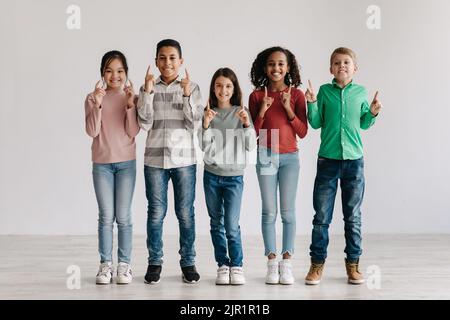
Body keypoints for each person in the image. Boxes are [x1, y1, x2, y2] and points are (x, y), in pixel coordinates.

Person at [304, 47, 382, 285]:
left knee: (353, 217)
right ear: (331, 69)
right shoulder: (325, 92)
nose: (342, 66)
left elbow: (364, 124)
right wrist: (312, 103)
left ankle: (354, 265)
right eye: (337, 63)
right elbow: (316, 123)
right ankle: (316, 265)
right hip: (327, 161)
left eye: (346, 62)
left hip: (354, 163)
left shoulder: (361, 92)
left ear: (354, 68)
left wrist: (373, 113)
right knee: (321, 217)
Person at [137, 39, 203, 284]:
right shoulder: (147, 88)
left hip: (184, 160)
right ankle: (154, 262)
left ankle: (188, 262)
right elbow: (144, 123)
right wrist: (148, 92)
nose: (167, 62)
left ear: (181, 61)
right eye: (162, 58)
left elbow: (194, 124)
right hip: (154, 160)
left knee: (185, 213)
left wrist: (186, 96)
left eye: (172, 57)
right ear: (156, 61)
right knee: (156, 213)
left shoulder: (192, 87)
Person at [249, 47, 308, 285]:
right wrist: (262, 110)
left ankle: (287, 261)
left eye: (281, 64)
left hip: (289, 157)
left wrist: (287, 107)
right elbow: (252, 132)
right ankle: (271, 261)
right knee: (269, 211)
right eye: (271, 64)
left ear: (288, 67)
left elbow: (302, 132)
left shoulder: (297, 95)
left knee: (288, 212)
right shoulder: (256, 96)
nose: (276, 68)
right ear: (265, 67)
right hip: (265, 152)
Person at [85, 50, 139, 285]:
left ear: (126, 73)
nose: (114, 75)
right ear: (102, 74)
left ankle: (124, 266)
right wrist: (97, 105)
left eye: (119, 71)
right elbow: (92, 132)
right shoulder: (92, 97)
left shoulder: (131, 97)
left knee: (124, 217)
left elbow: (133, 131)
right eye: (109, 70)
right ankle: (105, 265)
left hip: (127, 163)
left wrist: (130, 105)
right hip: (102, 165)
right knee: (106, 216)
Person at [199, 67, 256, 285]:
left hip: (234, 177)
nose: (224, 90)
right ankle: (222, 264)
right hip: (212, 175)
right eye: (219, 85)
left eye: (228, 86)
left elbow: (251, 145)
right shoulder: (209, 113)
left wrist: (246, 124)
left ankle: (237, 265)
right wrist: (205, 124)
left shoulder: (241, 112)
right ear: (214, 88)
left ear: (234, 89)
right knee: (216, 223)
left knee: (231, 224)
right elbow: (204, 147)